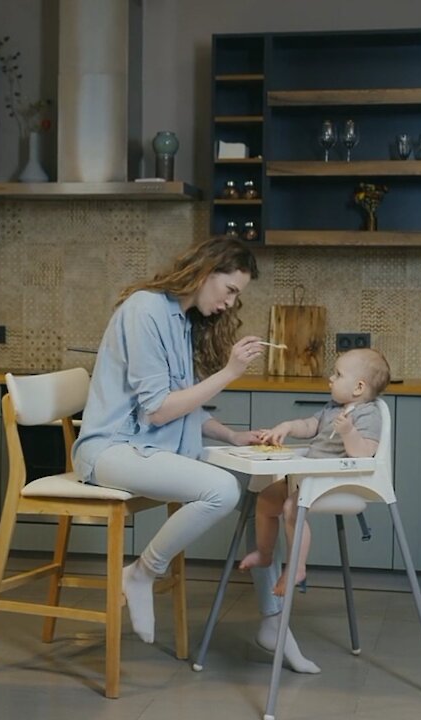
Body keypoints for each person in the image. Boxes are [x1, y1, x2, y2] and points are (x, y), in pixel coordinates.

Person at [71, 236, 321, 674]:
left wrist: (231, 435)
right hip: (109, 449)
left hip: (150, 446)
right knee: (221, 489)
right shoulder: (144, 309)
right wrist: (229, 373)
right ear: (207, 272)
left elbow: (181, 402)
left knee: (265, 486)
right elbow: (159, 408)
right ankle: (143, 573)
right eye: (231, 290)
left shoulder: (179, 319)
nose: (230, 302)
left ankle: (273, 622)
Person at [240, 348, 391, 596]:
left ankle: (297, 568)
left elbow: (364, 454)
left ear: (359, 387)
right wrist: (287, 426)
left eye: (338, 374)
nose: (331, 378)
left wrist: (348, 433)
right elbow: (310, 426)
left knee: (291, 508)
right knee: (266, 500)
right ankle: (264, 553)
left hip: (336, 481)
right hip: (308, 477)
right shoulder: (333, 408)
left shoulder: (368, 414)